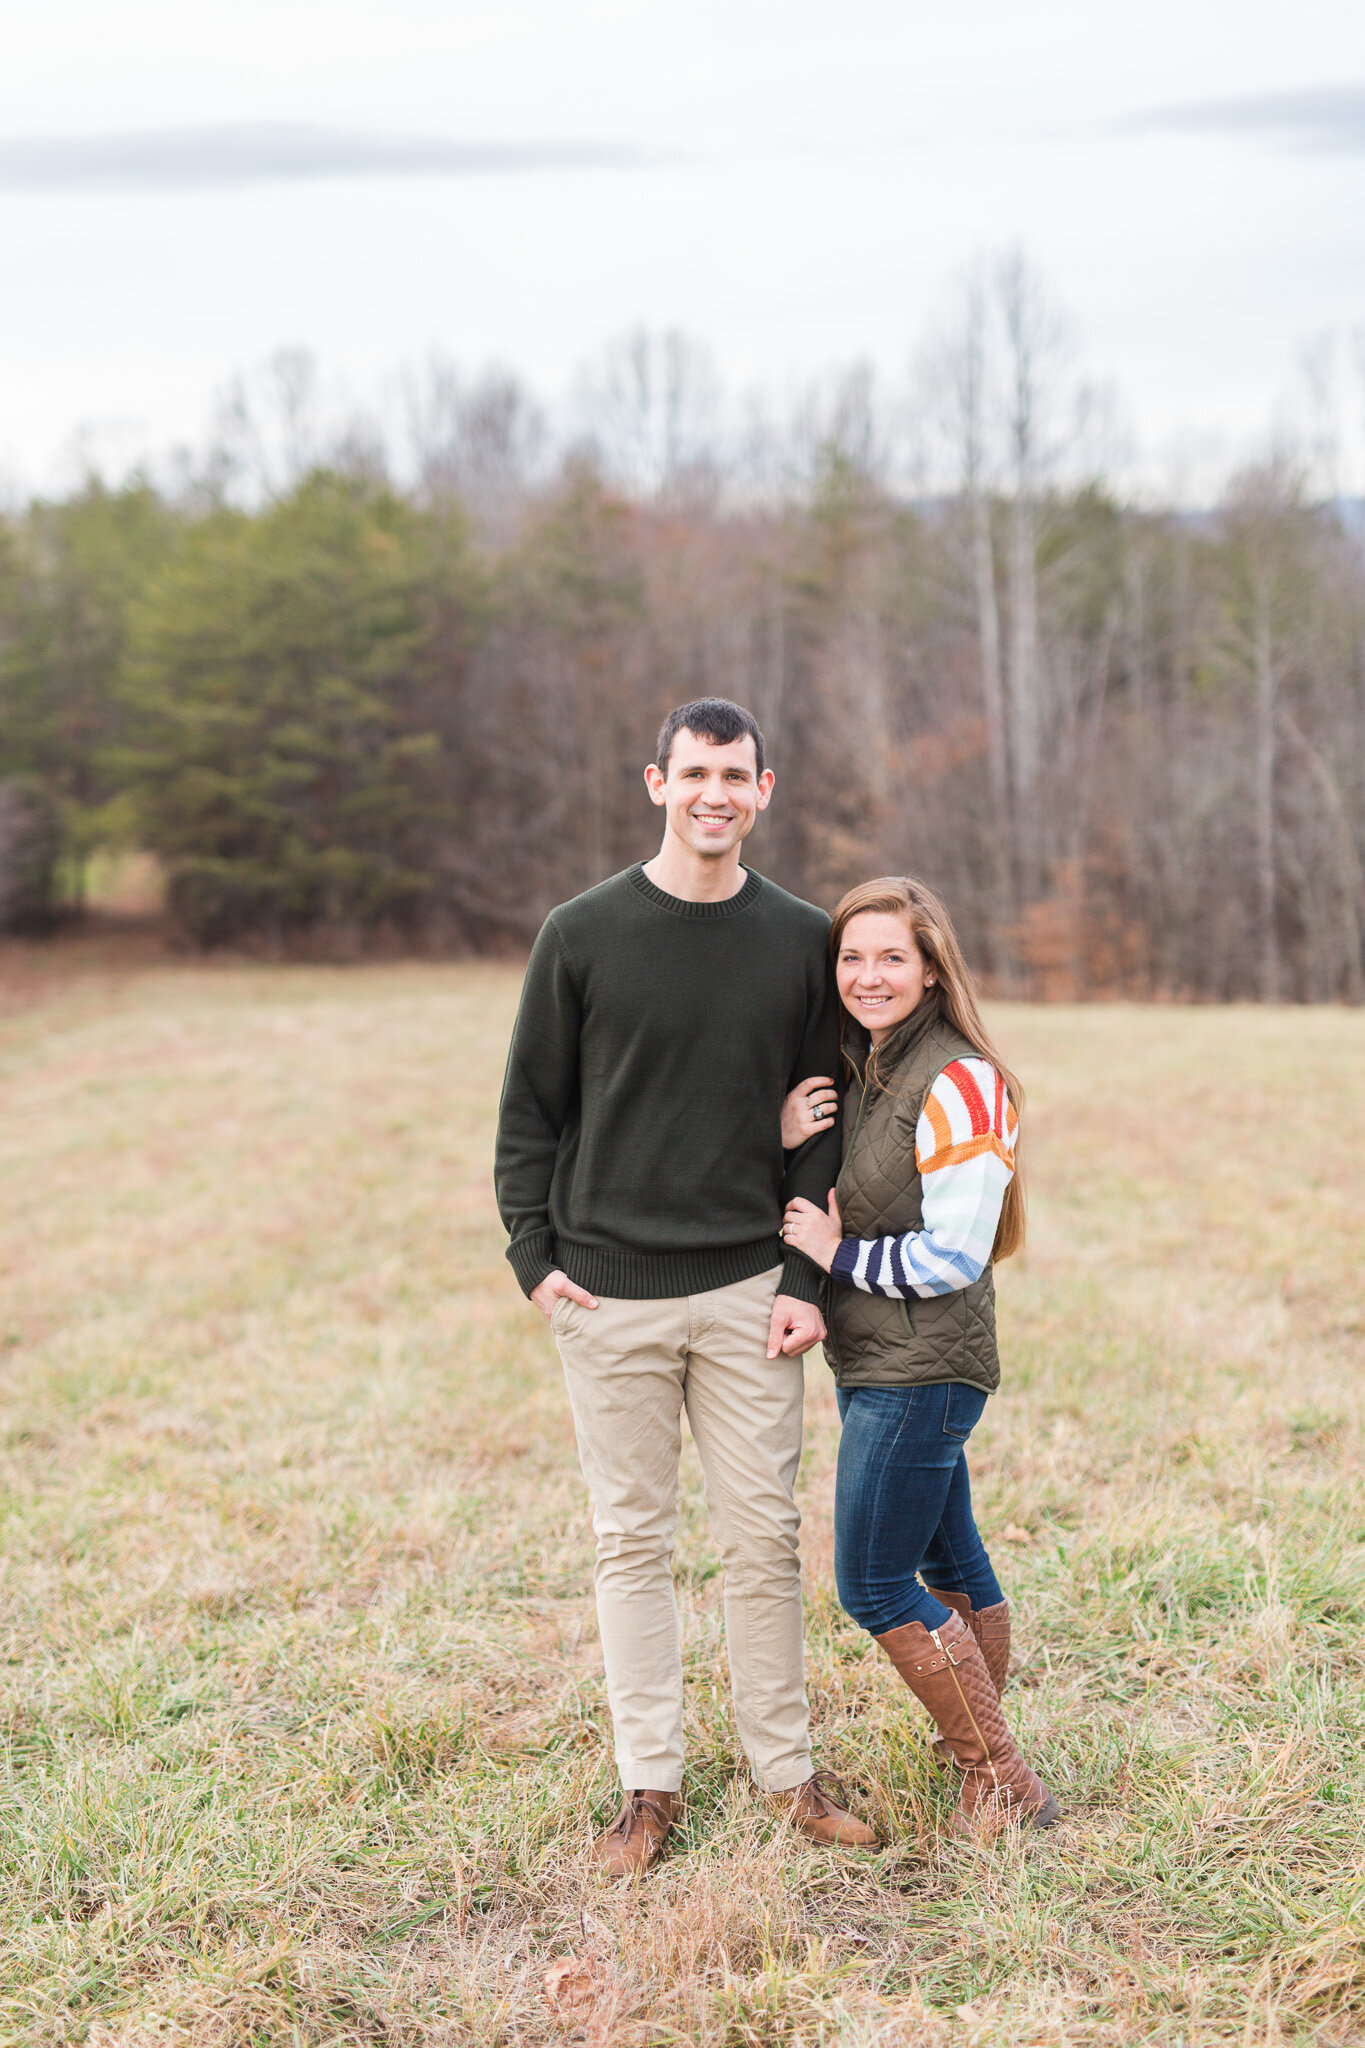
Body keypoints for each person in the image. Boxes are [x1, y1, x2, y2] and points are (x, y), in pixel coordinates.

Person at [494, 698, 879, 1876]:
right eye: (695, 772)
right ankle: (647, 1784)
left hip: (749, 1288)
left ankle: (787, 1772)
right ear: (655, 781)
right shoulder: (582, 931)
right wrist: (536, 1260)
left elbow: (819, 1124)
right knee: (632, 1539)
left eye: (737, 775)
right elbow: (530, 1113)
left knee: (762, 1537)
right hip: (605, 1293)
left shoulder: (802, 936)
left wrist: (805, 1275)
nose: (715, 793)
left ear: (767, 791)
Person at [781, 875, 1060, 1834]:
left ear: (932, 968)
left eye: (890, 956)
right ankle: (972, 1748)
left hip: (922, 1370)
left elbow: (950, 1255)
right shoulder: (870, 1071)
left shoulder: (960, 1080)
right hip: (883, 1362)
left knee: (869, 1581)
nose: (867, 975)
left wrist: (834, 1256)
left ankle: (1000, 1778)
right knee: (949, 1554)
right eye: (851, 958)